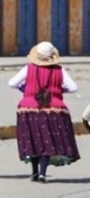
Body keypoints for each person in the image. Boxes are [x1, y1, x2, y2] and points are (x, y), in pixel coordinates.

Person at [8, 41, 80, 182]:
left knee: (32, 140)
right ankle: (42, 173)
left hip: (28, 109)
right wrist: (59, 89)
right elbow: (73, 88)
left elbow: (12, 83)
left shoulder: (28, 69)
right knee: (47, 141)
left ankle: (34, 173)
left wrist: (25, 88)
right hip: (54, 109)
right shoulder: (59, 70)